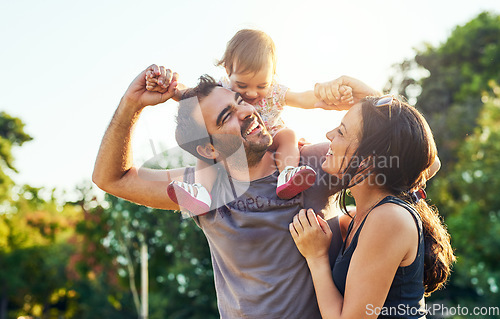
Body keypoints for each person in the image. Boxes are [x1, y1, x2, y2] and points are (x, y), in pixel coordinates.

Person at [92, 64, 379, 318]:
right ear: (209, 149)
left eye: (240, 101)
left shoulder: (314, 164)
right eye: (227, 115)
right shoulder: (200, 190)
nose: (247, 111)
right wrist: (132, 103)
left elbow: (418, 163)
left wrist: (369, 98)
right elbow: (111, 178)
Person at [145, 29, 353, 215]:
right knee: (208, 148)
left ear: (272, 76)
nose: (252, 93)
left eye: (262, 85)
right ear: (228, 70)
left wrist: (327, 98)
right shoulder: (222, 89)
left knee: (289, 135)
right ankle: (202, 191)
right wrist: (166, 84)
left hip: (270, 136)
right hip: (239, 142)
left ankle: (288, 173)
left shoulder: (275, 92)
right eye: (242, 85)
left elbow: (302, 98)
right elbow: (189, 95)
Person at [290, 95, 454, 318]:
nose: (329, 135)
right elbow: (421, 157)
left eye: (341, 132)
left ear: (367, 160)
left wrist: (316, 258)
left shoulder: (389, 219)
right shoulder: (359, 218)